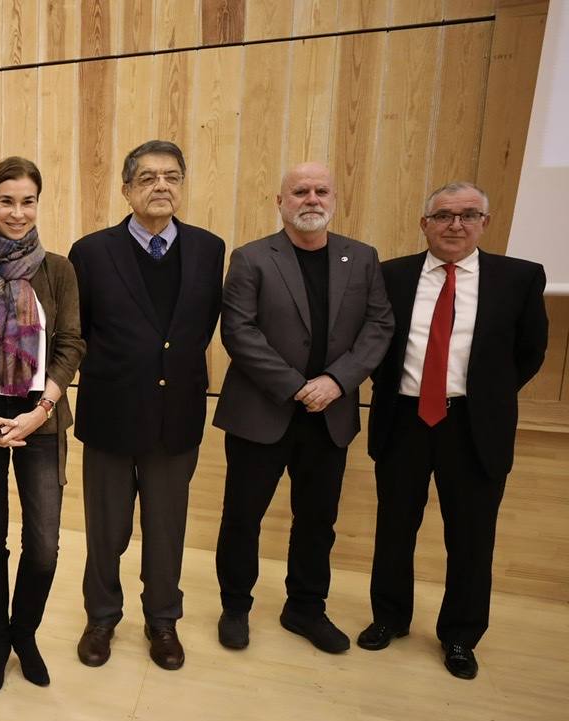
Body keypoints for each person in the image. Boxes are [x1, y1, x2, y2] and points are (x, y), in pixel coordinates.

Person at [359, 182, 548, 678]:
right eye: (443, 215)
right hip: (404, 418)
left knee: (471, 537)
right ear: (424, 224)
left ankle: (460, 636)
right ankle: (389, 619)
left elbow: (530, 352)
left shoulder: (519, 278)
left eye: (468, 215)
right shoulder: (390, 276)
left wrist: (485, 394)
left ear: (485, 223)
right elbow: (374, 344)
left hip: (473, 425)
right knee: (395, 528)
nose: (455, 225)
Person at [213, 162, 393, 654]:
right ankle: (236, 606)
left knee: (318, 519)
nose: (311, 199)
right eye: (299, 191)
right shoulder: (251, 259)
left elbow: (379, 327)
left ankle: (306, 609)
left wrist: (337, 381)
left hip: (330, 417)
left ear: (335, 199)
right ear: (280, 201)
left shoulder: (362, 258)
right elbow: (239, 332)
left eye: (320, 190)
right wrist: (298, 386)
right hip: (261, 412)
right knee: (242, 516)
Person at [68, 140, 225, 671]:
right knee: (105, 530)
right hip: (111, 413)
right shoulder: (90, 252)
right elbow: (79, 331)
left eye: (173, 177)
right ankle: (102, 617)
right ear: (127, 189)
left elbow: (197, 328)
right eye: (149, 177)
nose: (162, 186)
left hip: (175, 415)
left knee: (166, 530)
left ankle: (163, 620)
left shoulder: (209, 249)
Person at [0, 156, 85, 695]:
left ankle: (23, 634)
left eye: (28, 201)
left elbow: (72, 344)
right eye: (7, 200)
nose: (17, 212)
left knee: (45, 544)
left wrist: (43, 407)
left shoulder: (59, 270)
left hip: (40, 417)